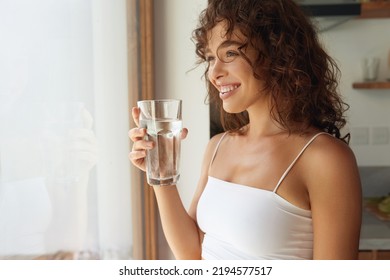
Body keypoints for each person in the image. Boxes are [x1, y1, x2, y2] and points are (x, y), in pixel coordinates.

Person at [129, 0, 362, 260]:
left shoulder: (324, 158)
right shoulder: (218, 146)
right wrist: (162, 175)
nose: (214, 73)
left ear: (278, 52)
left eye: (230, 54)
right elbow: (192, 254)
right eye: (209, 59)